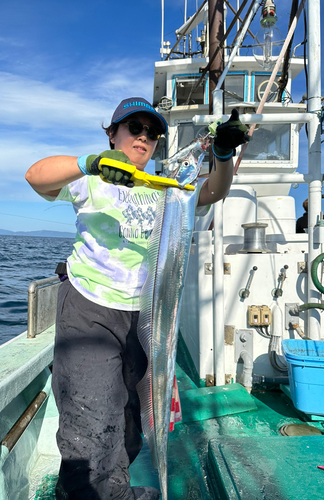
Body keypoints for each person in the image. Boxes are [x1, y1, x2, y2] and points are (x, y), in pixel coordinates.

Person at [25, 99, 249, 500]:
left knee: (128, 426)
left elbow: (213, 191)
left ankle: (113, 491)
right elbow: (36, 176)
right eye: (134, 127)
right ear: (112, 133)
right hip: (90, 309)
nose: (144, 136)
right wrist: (90, 163)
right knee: (90, 422)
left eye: (152, 132)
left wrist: (222, 153)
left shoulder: (168, 189)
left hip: (144, 319)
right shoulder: (91, 178)